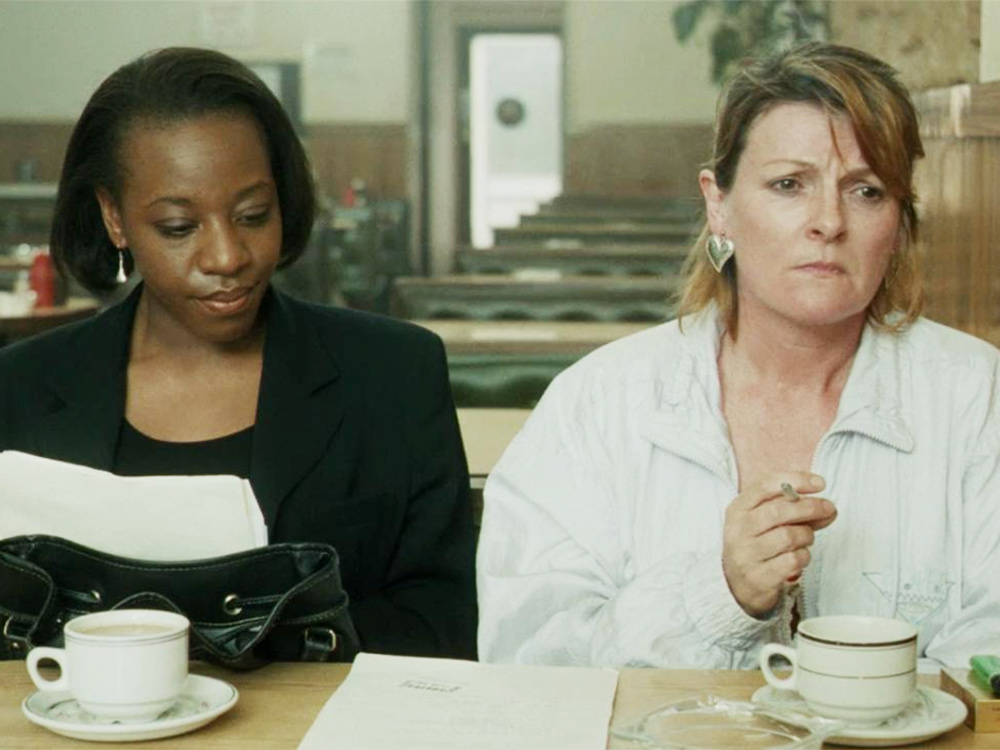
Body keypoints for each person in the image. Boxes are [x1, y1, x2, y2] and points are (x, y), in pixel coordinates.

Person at [476, 42, 1000, 670]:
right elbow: (529, 657)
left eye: (866, 191)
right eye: (789, 184)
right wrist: (718, 594)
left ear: (900, 217)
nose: (828, 222)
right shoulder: (596, 402)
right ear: (718, 204)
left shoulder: (976, 396)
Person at [0, 47, 477, 660]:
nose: (227, 257)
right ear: (114, 219)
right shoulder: (22, 389)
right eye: (178, 227)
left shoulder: (392, 372)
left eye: (254, 215)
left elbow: (442, 618)